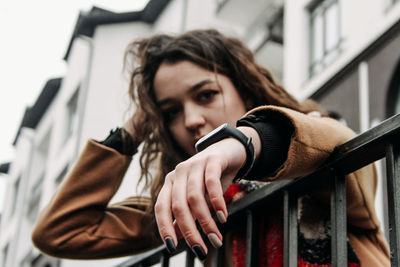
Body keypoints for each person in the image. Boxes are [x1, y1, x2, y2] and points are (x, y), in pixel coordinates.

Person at [31, 29, 389, 267]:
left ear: (245, 91)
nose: (190, 119)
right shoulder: (184, 205)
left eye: (206, 95)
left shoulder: (311, 135)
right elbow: (61, 232)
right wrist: (133, 130)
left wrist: (241, 145)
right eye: (171, 112)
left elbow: (331, 139)